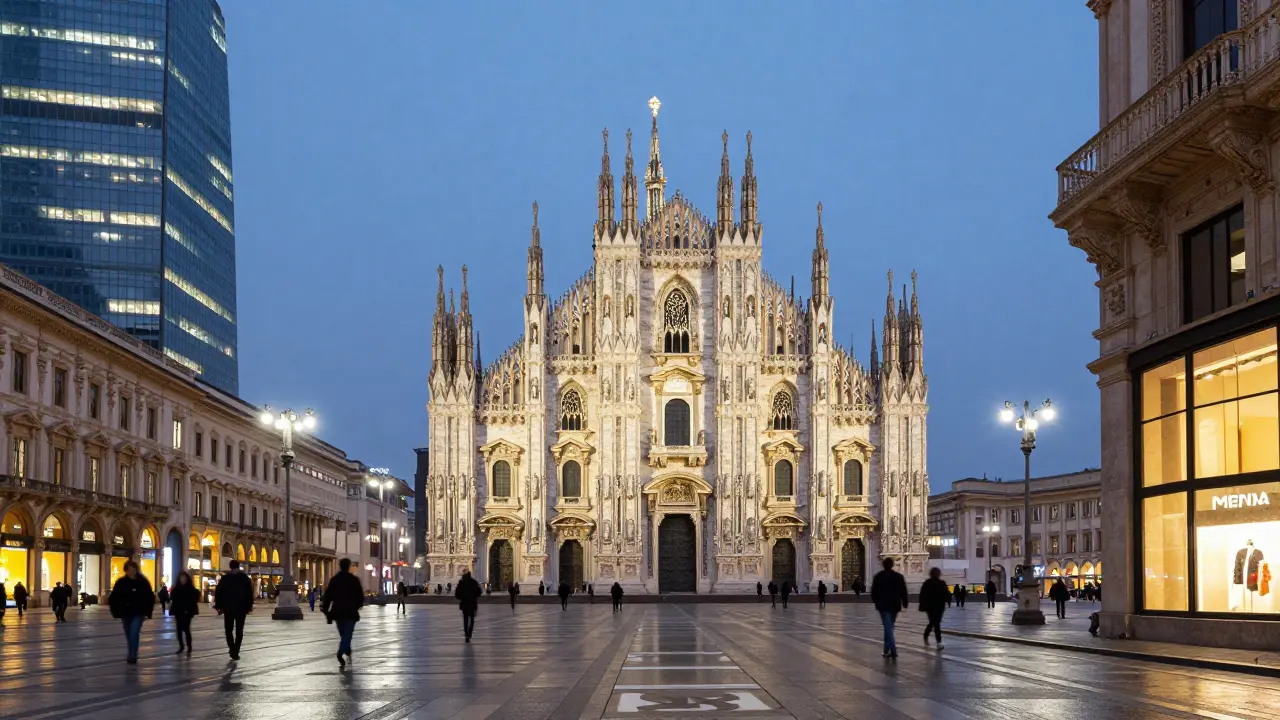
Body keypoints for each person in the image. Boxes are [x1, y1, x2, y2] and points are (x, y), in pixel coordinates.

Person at [108, 560, 155, 664]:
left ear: (136, 570)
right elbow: (114, 598)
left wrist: (147, 612)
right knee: (129, 634)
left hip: (138, 612)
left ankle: (132, 656)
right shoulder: (121, 582)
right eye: (129, 569)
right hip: (125, 613)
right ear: (126, 570)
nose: (131, 572)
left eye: (133, 569)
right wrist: (116, 611)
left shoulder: (142, 582)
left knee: (134, 633)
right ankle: (132, 652)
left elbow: (149, 597)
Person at [321, 558, 365, 667]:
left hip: (338, 612)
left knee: (343, 634)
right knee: (347, 634)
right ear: (349, 566)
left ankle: (346, 650)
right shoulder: (354, 580)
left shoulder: (334, 580)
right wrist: (357, 606)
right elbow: (360, 596)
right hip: (350, 612)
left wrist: (326, 611)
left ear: (340, 566)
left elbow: (328, 596)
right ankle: (341, 652)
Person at [213, 559, 253, 660]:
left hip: (228, 608)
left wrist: (219, 607)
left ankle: (232, 648)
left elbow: (219, 593)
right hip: (241, 608)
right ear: (239, 566)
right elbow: (249, 593)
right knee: (239, 631)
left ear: (230, 567)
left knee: (228, 630)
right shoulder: (244, 578)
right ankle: (235, 650)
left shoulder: (225, 578)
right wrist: (249, 607)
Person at [870, 557, 909, 659]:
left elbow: (874, 591)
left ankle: (893, 651)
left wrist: (875, 601)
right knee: (889, 627)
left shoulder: (878, 576)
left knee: (888, 628)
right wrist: (905, 602)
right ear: (892, 565)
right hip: (895, 605)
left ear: (883, 565)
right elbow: (903, 591)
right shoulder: (898, 576)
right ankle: (886, 650)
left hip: (883, 605)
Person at [918, 567, 949, 649]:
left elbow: (922, 596)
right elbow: (947, 594)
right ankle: (939, 642)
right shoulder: (942, 583)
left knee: (933, 622)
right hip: (938, 607)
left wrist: (922, 606)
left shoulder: (927, 583)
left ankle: (926, 635)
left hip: (931, 607)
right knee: (936, 623)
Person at [170, 571, 200, 654]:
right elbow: (173, 599)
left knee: (186, 629)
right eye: (181, 578)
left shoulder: (191, 589)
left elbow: (195, 596)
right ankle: (181, 646)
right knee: (179, 629)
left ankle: (189, 646)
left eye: (184, 578)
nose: (183, 580)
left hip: (187, 612)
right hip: (178, 612)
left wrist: (189, 608)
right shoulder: (176, 589)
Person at [455, 570, 482, 642]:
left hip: (464, 603)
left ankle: (466, 634)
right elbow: (479, 593)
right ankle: (469, 633)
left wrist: (462, 597)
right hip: (472, 603)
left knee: (465, 619)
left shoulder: (461, 582)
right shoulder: (474, 582)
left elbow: (457, 594)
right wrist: (473, 596)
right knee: (472, 620)